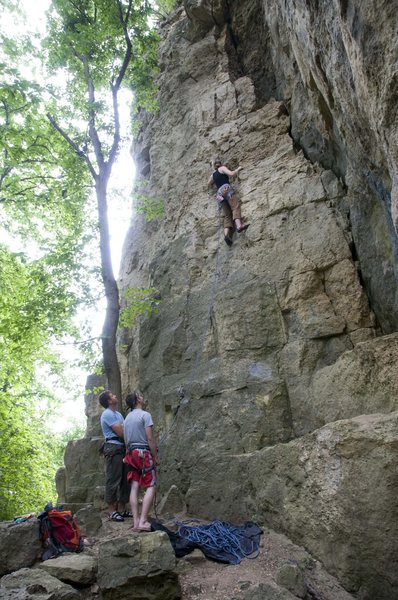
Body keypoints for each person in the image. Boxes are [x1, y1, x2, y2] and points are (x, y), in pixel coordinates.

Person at [123, 391, 160, 532]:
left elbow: (126, 441)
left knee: (134, 486)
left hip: (131, 453)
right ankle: (143, 520)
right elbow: (150, 439)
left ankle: (136, 521)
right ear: (138, 400)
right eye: (141, 395)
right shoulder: (145, 415)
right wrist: (155, 456)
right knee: (151, 485)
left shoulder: (126, 419)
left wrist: (128, 455)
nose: (143, 397)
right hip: (143, 453)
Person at [99, 390, 131, 522]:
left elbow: (125, 429)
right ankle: (111, 511)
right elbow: (121, 432)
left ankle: (122, 508)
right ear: (108, 401)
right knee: (114, 478)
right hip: (113, 447)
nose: (115, 396)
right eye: (112, 396)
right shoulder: (107, 414)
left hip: (123, 447)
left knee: (125, 478)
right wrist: (124, 430)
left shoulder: (118, 414)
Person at [208, 158, 250, 246]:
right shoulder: (222, 168)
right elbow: (231, 174)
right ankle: (239, 226)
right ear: (219, 164)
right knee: (235, 206)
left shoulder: (212, 175)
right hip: (226, 189)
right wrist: (238, 169)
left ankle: (226, 235)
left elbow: (208, 184)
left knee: (227, 215)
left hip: (219, 194)